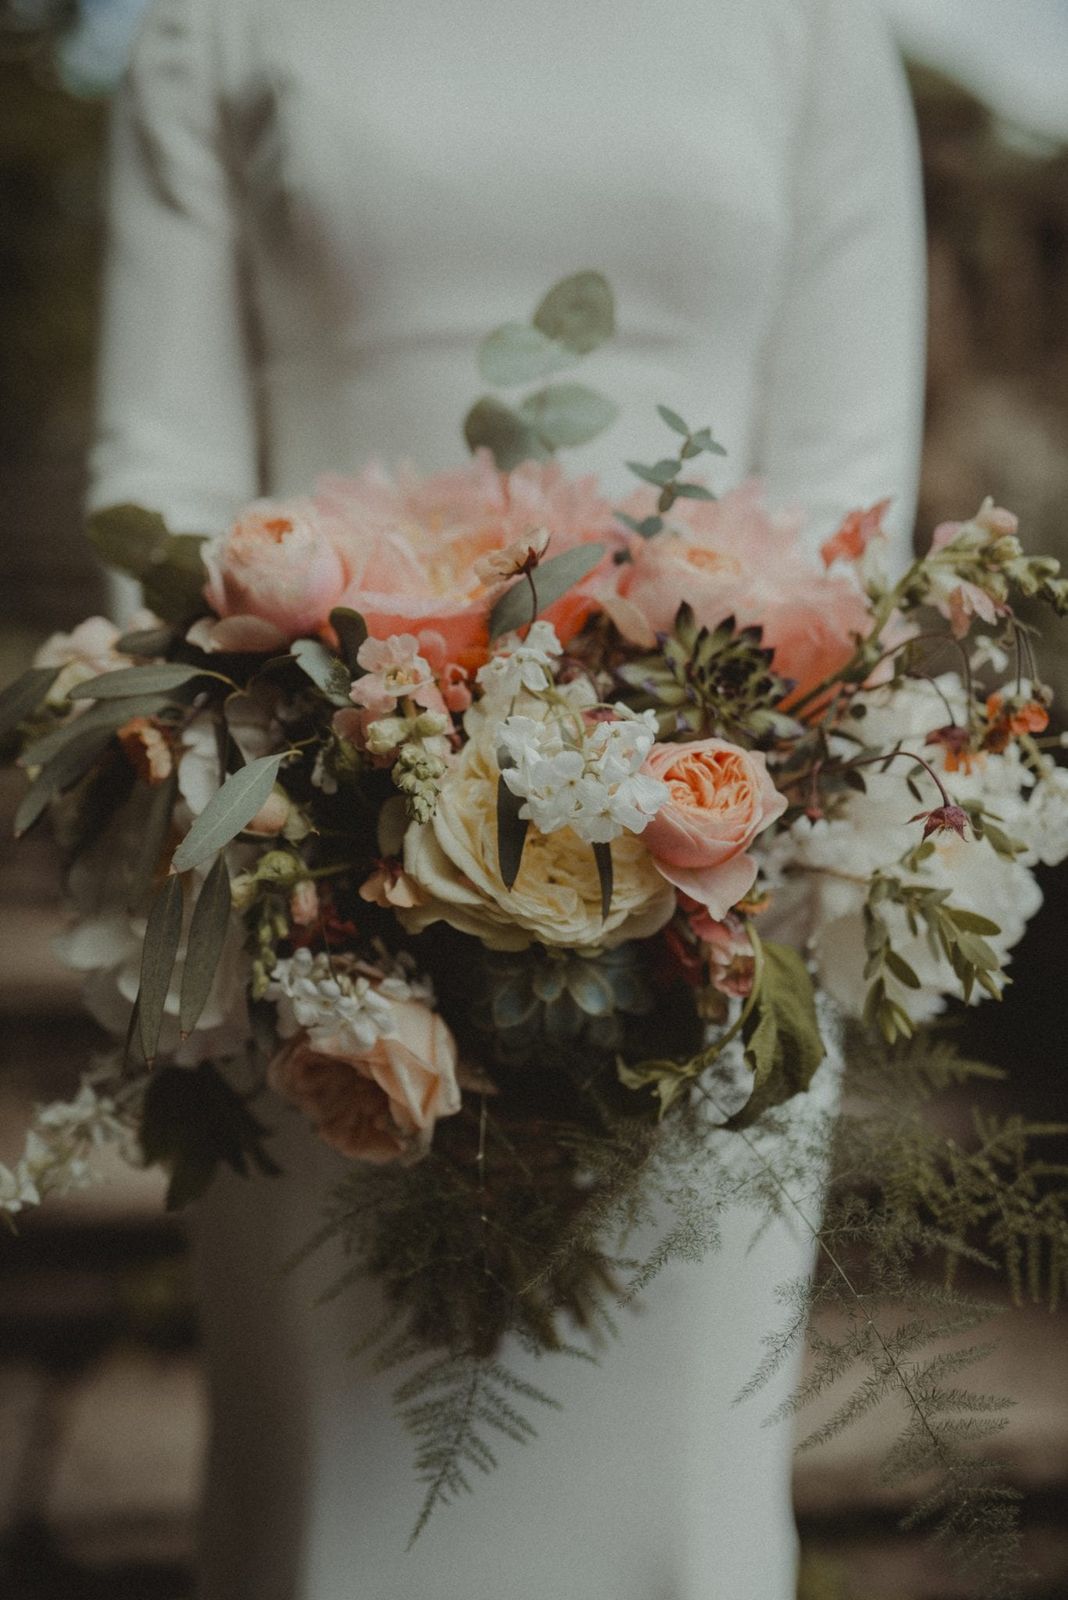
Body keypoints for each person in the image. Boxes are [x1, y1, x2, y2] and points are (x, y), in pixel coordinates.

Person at [89, 1, 925, 1595]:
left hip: (720, 869)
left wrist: (679, 788)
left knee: (673, 1508)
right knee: (334, 1508)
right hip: (314, 899)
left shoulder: (812, 31)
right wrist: (328, 788)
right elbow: (157, 471)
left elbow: (847, 498)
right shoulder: (211, 26)